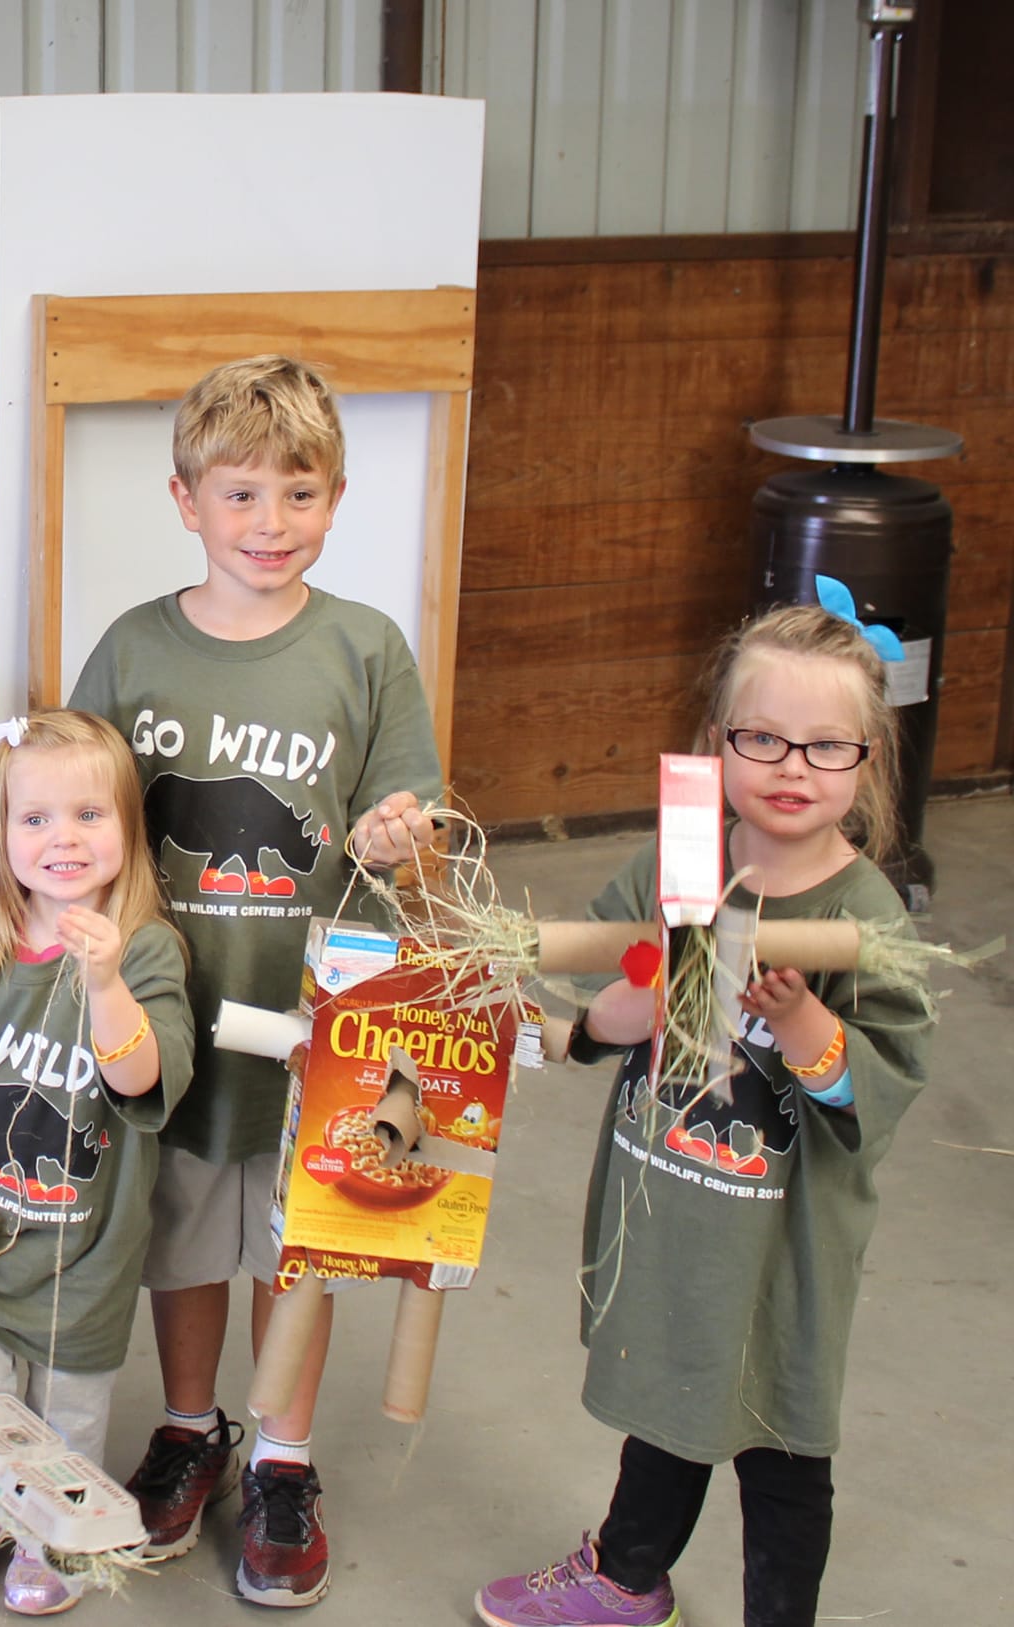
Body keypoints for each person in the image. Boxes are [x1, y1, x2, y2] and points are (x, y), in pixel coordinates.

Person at [475, 603, 933, 1627]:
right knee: (672, 1400)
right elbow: (596, 1007)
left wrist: (808, 1020)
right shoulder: (677, 866)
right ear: (718, 742)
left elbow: (881, 1086)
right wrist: (619, 1007)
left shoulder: (868, 917)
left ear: (868, 760)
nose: (790, 764)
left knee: (780, 1439)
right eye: (760, 736)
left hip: (782, 1245)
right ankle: (628, 1574)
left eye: (825, 745)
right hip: (673, 1204)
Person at [66, 355, 439, 1606]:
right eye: (239, 496)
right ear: (185, 501)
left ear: (337, 498)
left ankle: (284, 1450)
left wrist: (399, 835)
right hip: (173, 1011)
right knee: (181, 1231)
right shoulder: (133, 649)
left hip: (314, 1011)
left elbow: (412, 807)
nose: (268, 524)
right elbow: (76, 803)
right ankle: (190, 1425)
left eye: (296, 493)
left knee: (298, 1240)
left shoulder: (367, 646)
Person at [0, 710, 192, 1616]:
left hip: (85, 1250)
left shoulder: (145, 948)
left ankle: (51, 1523)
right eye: (36, 819)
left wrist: (105, 984)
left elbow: (142, 1076)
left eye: (88, 816)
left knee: (70, 1411)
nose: (63, 837)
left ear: (126, 830)